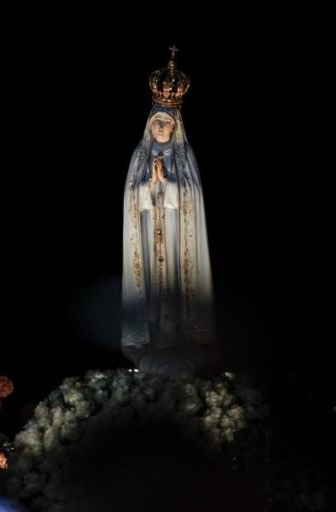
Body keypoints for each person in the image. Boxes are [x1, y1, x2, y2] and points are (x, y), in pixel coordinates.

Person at [121, 48, 215, 378]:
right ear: (150, 125)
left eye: (167, 124)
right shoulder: (140, 156)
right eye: (157, 122)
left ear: (176, 127)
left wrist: (169, 185)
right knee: (153, 286)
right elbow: (132, 199)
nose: (162, 128)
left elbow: (192, 195)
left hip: (177, 236)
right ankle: (152, 343)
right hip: (149, 235)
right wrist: (150, 185)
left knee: (176, 283)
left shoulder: (184, 156)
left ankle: (180, 340)